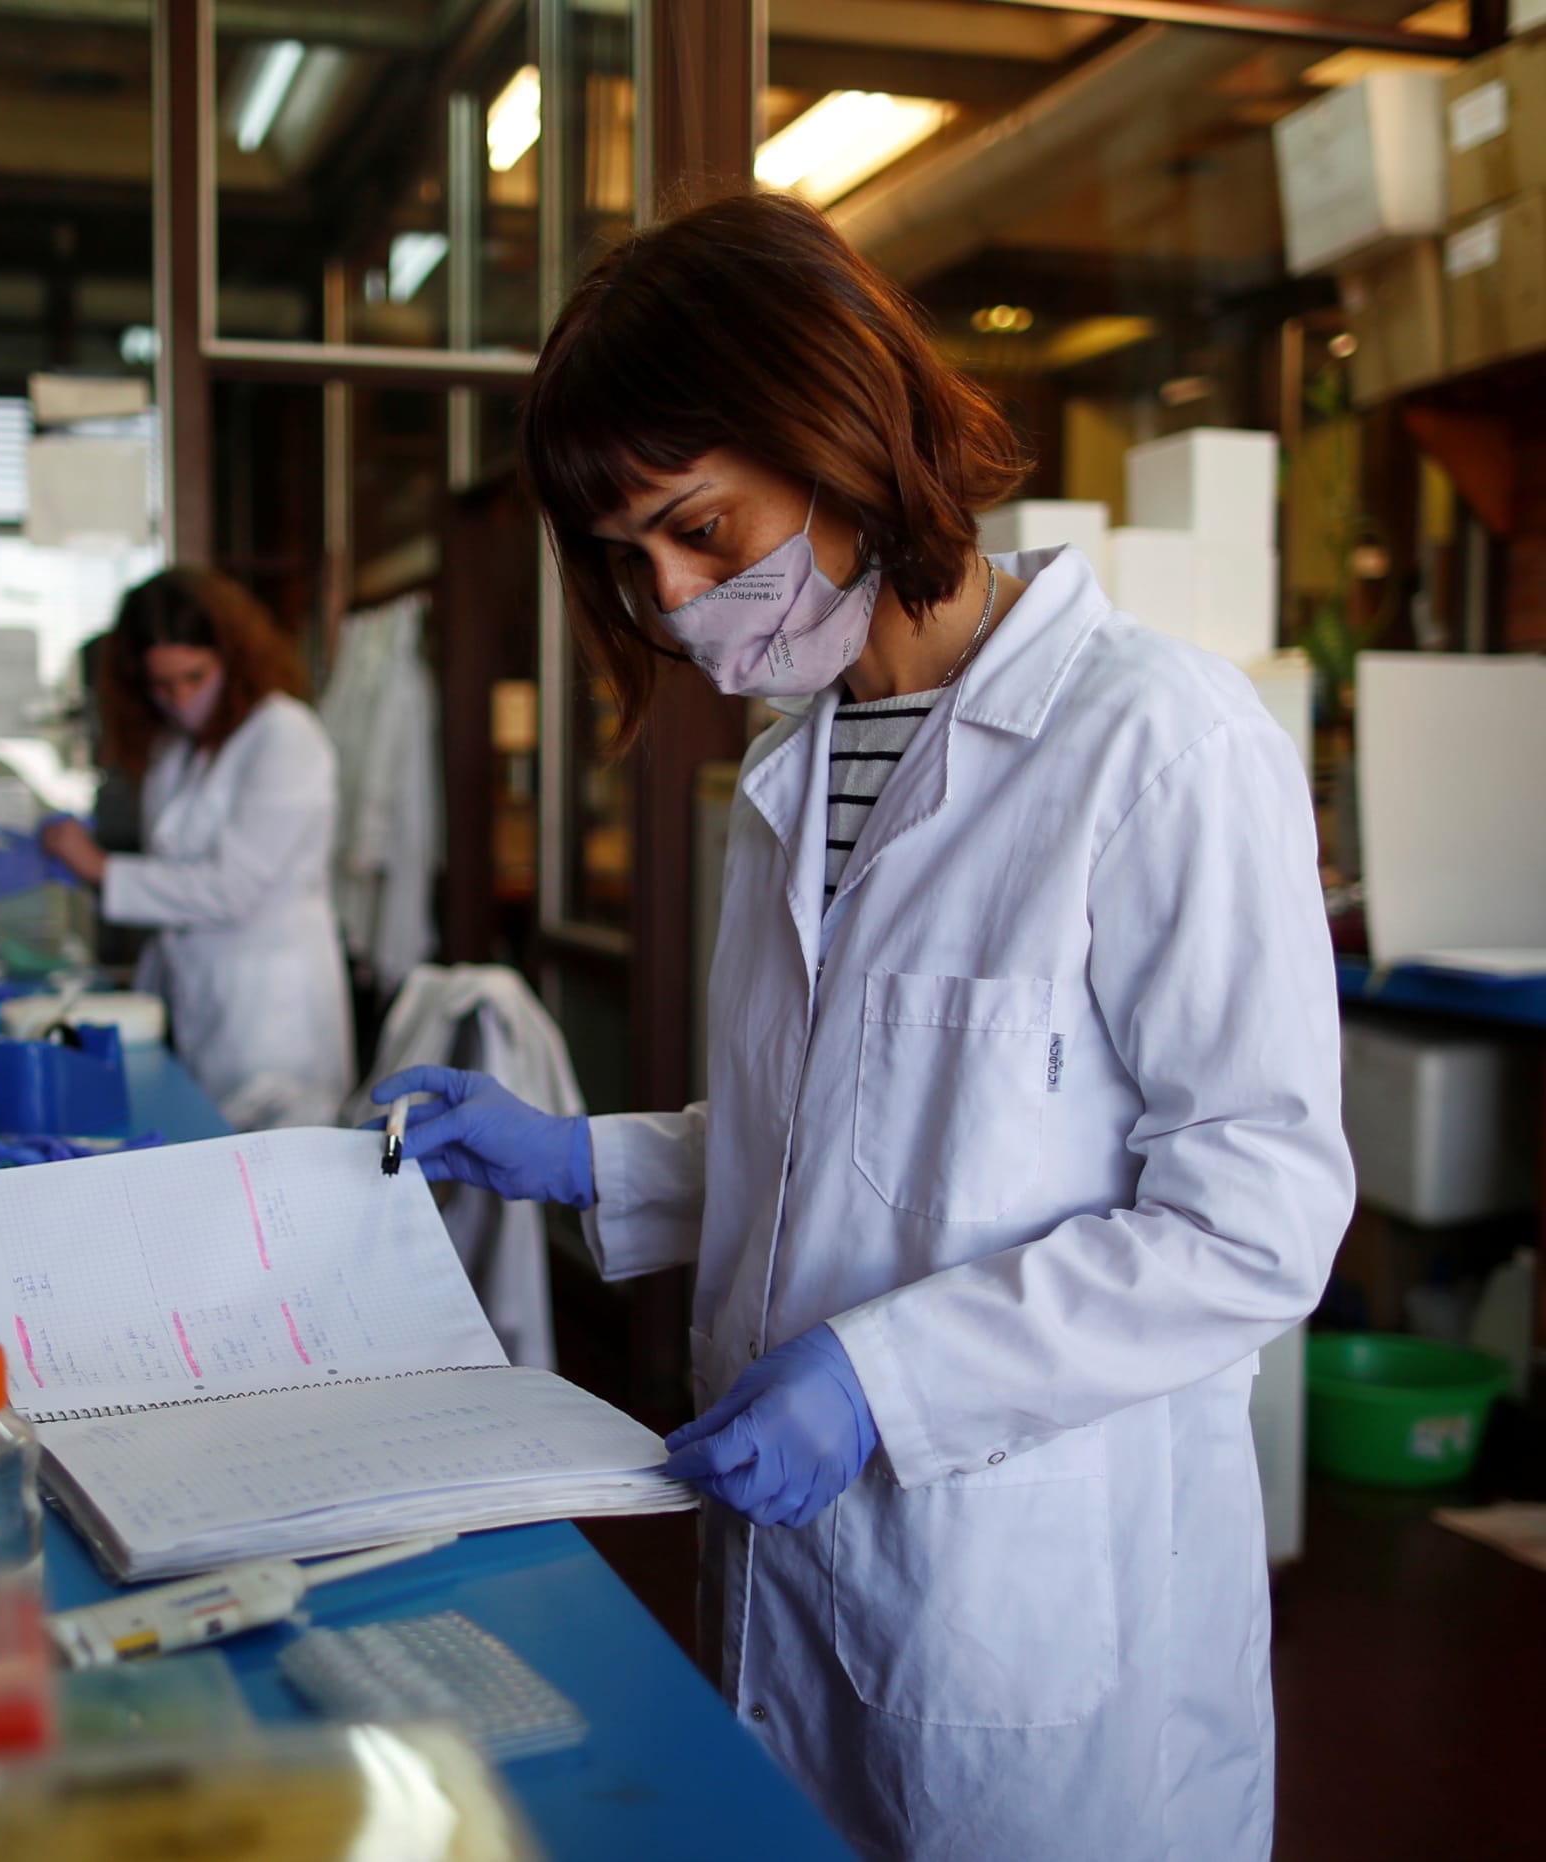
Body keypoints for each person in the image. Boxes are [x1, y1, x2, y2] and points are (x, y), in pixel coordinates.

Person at [372, 193, 1350, 1861]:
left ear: (837, 433)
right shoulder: (795, 769)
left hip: (1027, 1593)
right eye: (633, 560)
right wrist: (583, 1159)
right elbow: (845, 1138)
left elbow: (1253, 1221)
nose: (678, 598)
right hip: (794, 1564)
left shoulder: (1158, 745)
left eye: (701, 527)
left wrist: (885, 1379)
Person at [0, 568, 354, 1129]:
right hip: (198, 1001)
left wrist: (100, 868)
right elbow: (171, 868)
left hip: (272, 1016)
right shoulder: (179, 747)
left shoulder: (284, 736)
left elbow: (232, 888)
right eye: (162, 685)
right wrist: (80, 868)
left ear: (234, 658)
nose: (181, 699)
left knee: (275, 1166)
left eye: (195, 677)